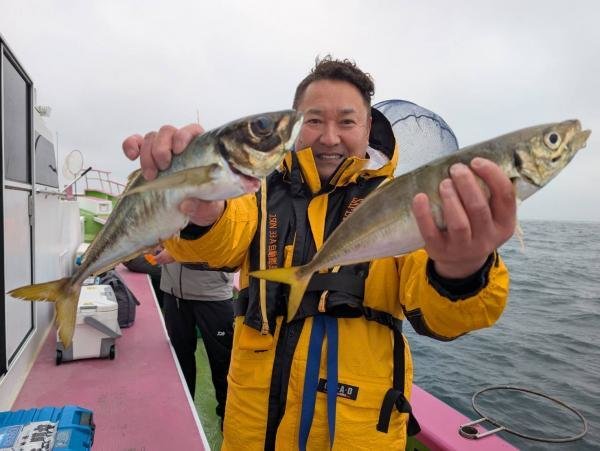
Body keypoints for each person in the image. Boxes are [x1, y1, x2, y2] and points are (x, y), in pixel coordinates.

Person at [122, 56, 516, 450]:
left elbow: (443, 316)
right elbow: (224, 235)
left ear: (368, 127)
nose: (329, 137)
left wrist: (463, 273)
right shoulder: (257, 190)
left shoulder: (406, 202)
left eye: (346, 122)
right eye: (314, 120)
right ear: (294, 126)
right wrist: (204, 211)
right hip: (251, 433)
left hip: (358, 435)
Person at [153, 248, 234, 422]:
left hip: (213, 294)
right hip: (174, 293)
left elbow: (221, 240)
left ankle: (229, 420)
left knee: (223, 363)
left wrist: (177, 253)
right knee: (179, 362)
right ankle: (183, 417)